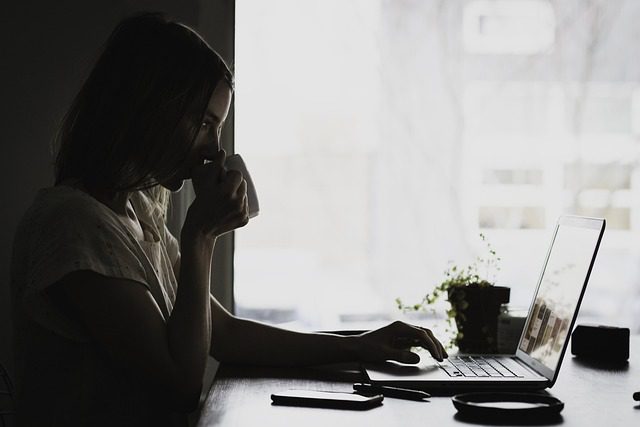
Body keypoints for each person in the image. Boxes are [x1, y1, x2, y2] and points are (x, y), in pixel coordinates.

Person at [10, 12, 447, 426]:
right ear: (149, 109)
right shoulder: (73, 224)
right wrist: (201, 235)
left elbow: (224, 333)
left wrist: (361, 345)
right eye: (204, 123)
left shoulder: (137, 213)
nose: (214, 150)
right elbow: (179, 384)